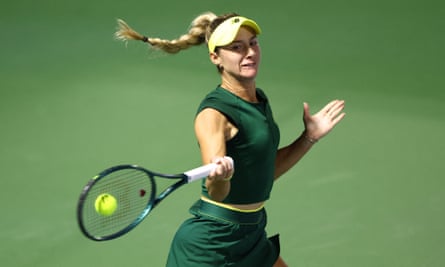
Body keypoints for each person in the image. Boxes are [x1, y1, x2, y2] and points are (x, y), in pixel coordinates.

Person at [115, 11, 345, 267]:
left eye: (253, 43)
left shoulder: (259, 100)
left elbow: (262, 172)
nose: (249, 52)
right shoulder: (213, 114)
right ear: (216, 57)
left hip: (251, 232)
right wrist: (220, 177)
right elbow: (217, 193)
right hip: (212, 245)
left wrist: (308, 138)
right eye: (236, 47)